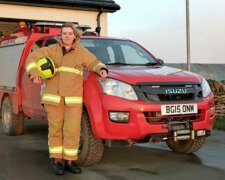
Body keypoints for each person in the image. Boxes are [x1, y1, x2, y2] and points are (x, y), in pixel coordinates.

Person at [25, 22, 108, 175]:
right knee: (55, 131)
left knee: (72, 132)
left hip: (73, 101)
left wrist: (101, 69)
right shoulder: (51, 50)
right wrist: (35, 73)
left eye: (70, 33)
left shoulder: (82, 52)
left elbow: (93, 63)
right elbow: (32, 57)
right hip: (54, 98)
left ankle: (69, 161)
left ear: (75, 36)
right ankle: (56, 161)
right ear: (61, 35)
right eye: (64, 33)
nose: (67, 36)